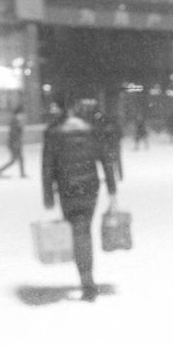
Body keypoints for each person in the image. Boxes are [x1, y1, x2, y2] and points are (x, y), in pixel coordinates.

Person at [42, 101, 118, 301]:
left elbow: (47, 166)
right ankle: (87, 278)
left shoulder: (54, 134)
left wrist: (48, 195)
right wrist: (112, 189)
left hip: (67, 189)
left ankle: (86, 280)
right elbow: (106, 160)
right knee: (83, 230)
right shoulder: (92, 132)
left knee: (78, 232)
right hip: (90, 188)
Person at [0, 106, 27, 178]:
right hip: (14, 143)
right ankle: (0, 170)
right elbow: (14, 133)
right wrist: (15, 143)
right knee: (14, 160)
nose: (22, 115)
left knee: (20, 159)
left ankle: (22, 174)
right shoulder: (14, 121)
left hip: (16, 143)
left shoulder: (16, 121)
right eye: (21, 113)